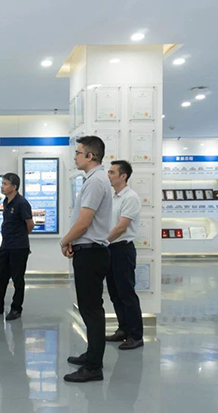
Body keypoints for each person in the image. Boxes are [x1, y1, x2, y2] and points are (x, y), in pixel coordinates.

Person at [60, 136, 113, 383]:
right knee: (89, 308)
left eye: (78, 153)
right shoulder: (95, 179)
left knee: (91, 310)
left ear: (90, 156)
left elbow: (84, 222)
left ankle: (93, 367)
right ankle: (92, 355)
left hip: (91, 253)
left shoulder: (95, 182)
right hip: (88, 251)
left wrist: (64, 241)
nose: (75, 157)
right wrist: (73, 240)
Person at [106, 160, 144, 350]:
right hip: (110, 249)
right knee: (115, 293)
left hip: (122, 249)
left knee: (127, 293)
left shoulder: (131, 197)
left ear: (123, 176)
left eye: (112, 172)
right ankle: (123, 329)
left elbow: (121, 227)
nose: (109, 175)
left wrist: (102, 242)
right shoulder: (112, 197)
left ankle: (136, 336)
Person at [0, 172, 34, 320]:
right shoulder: (6, 201)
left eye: (5, 184)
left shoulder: (22, 203)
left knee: (17, 279)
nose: (2, 187)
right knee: (0, 277)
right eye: (2, 183)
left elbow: (30, 224)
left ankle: (16, 309)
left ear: (14, 187)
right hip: (6, 245)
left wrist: (20, 237)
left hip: (19, 247)